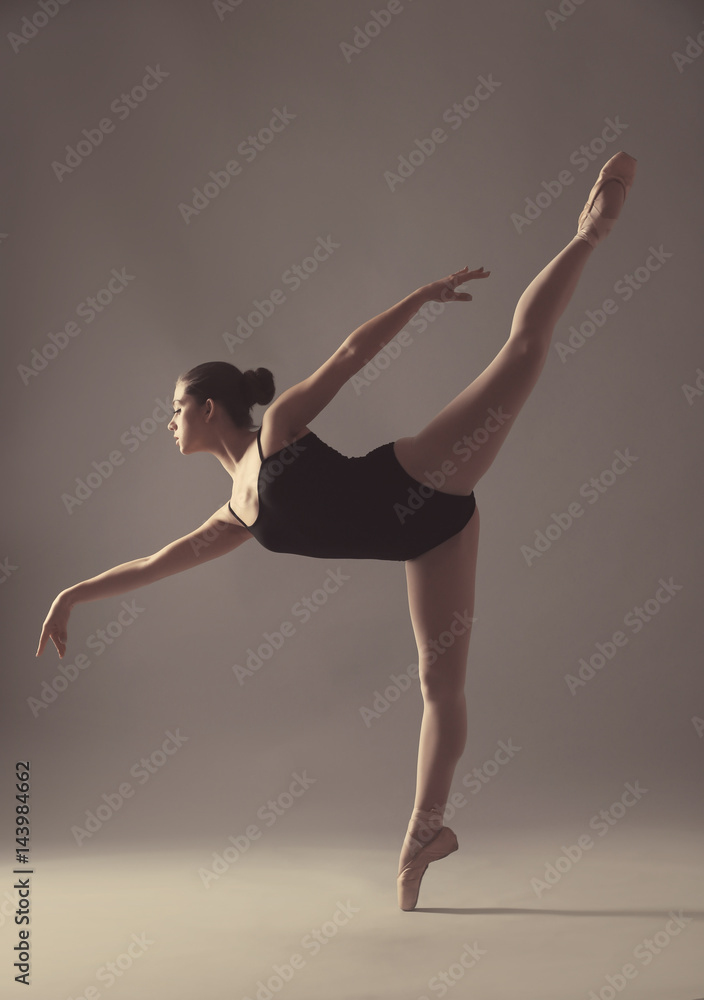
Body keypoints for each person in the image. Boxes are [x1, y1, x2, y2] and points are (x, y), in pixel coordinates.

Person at [36, 151, 637, 910]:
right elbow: (155, 564)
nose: (168, 421)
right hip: (430, 540)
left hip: (423, 479)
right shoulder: (235, 515)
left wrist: (419, 298)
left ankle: (590, 231)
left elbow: (349, 357)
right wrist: (71, 594)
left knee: (521, 352)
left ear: (211, 409)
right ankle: (426, 832)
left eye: (176, 407)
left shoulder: (279, 429)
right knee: (438, 684)